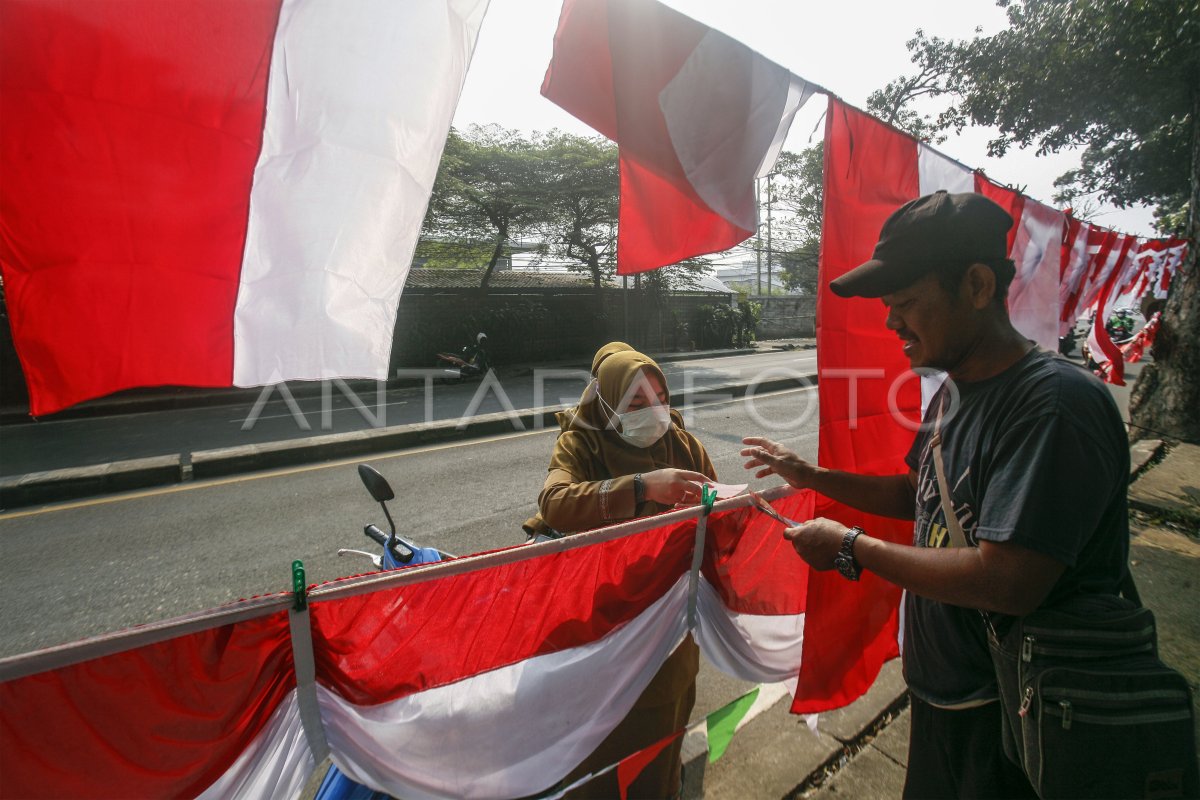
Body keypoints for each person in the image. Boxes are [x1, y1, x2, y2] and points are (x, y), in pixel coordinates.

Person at [742, 191, 1131, 799]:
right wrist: (812, 477)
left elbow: (1006, 581)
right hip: (946, 695)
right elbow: (915, 495)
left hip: (1014, 709)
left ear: (976, 285)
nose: (891, 322)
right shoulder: (952, 394)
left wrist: (850, 547)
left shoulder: (1052, 407)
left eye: (906, 304)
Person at [524, 341, 716, 799]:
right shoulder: (582, 442)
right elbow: (555, 503)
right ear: (607, 404)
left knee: (662, 744)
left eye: (661, 399)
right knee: (604, 757)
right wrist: (643, 486)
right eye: (637, 402)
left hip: (670, 630)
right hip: (603, 633)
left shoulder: (682, 444)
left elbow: (718, 506)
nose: (655, 411)